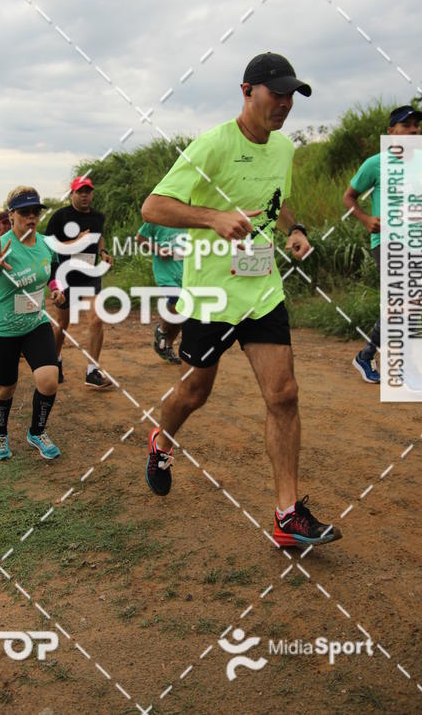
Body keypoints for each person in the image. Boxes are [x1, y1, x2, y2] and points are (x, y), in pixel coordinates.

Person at [141, 52, 342, 549]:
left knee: (284, 395)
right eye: (278, 93)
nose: (286, 104)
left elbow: (277, 198)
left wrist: (294, 227)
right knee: (195, 393)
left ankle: (287, 515)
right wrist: (213, 218)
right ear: (248, 91)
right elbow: (154, 206)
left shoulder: (284, 148)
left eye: (292, 95)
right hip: (211, 296)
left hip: (262, 290)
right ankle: (161, 440)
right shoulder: (212, 146)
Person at [344, 105, 422, 383]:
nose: (414, 130)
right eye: (406, 125)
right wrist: (366, 219)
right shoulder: (375, 164)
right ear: (391, 132)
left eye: (416, 125)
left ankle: (366, 355)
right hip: (387, 241)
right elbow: (348, 197)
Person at [0, 186, 65, 461]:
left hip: (35, 324)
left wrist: (56, 290)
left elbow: (53, 270)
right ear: (11, 215)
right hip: (2, 330)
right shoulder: (0, 245)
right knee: (5, 387)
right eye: (24, 212)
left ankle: (37, 432)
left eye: (35, 212)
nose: (31, 217)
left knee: (49, 381)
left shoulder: (46, 243)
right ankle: (1, 433)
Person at [46, 177, 114, 389]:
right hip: (66, 276)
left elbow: (99, 237)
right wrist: (76, 242)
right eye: (80, 191)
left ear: (92, 194)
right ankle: (55, 360)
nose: (84, 195)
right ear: (72, 194)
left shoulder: (98, 217)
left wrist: (103, 252)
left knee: (97, 319)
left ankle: (92, 371)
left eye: (88, 191)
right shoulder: (60, 216)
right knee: (62, 324)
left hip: (90, 274)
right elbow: (49, 245)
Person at [135, 222, 185, 363]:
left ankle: (167, 346)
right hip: (166, 274)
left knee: (181, 313)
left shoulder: (191, 218)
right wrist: (158, 249)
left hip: (186, 273)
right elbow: (140, 238)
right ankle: (161, 330)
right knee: (177, 304)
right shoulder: (158, 218)